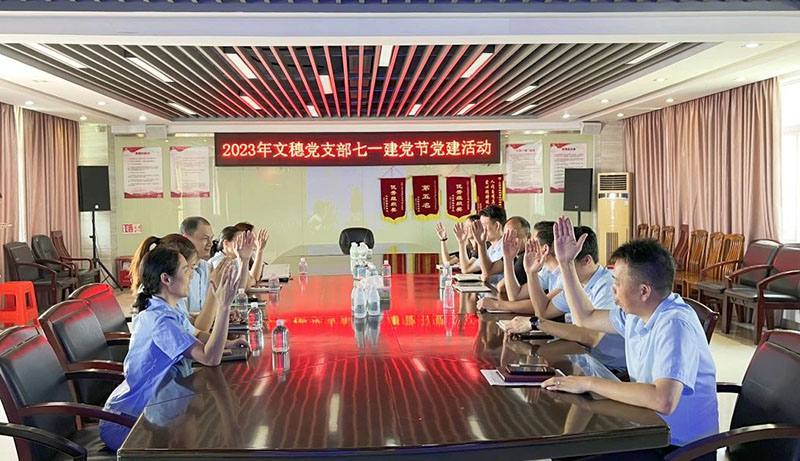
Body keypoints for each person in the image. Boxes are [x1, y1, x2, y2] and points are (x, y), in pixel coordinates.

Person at [535, 217, 718, 458]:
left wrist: (589, 383)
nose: (613, 290)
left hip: (679, 447)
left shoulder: (675, 324)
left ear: (644, 291)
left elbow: (663, 400)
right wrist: (566, 264)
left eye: (617, 283)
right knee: (569, 450)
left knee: (575, 454)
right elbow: (585, 317)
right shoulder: (637, 314)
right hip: (647, 426)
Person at [100, 242, 246, 451]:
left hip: (154, 404)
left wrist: (229, 343)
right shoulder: (160, 320)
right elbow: (209, 358)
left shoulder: (168, 308)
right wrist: (223, 306)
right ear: (166, 279)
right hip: (128, 423)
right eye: (186, 270)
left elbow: (197, 335)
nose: (191, 276)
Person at [130, 234, 234, 334]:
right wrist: (214, 287)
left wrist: (220, 314)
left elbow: (188, 323)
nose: (191, 275)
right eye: (188, 268)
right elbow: (199, 332)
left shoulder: (167, 294)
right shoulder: (160, 307)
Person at [208, 225, 267, 289]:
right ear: (226, 243)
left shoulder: (235, 260)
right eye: (240, 241)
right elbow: (244, 286)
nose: (243, 244)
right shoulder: (218, 262)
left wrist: (259, 250)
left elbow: (252, 279)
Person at [460, 205, 506, 281]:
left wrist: (481, 244)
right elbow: (466, 269)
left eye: (483, 226)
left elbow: (486, 274)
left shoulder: (505, 247)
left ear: (497, 226)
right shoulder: (491, 248)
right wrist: (461, 242)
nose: (480, 230)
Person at [179, 216, 214, 314]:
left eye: (211, 238)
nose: (210, 244)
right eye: (205, 238)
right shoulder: (176, 271)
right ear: (186, 239)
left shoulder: (206, 267)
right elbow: (183, 317)